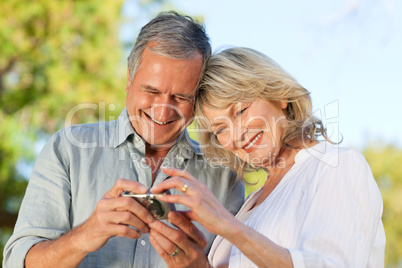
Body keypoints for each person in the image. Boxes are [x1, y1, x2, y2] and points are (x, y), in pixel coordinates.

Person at [3, 12, 244, 268]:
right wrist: (88, 234)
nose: (163, 112)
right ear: (129, 77)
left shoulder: (224, 174)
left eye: (181, 98)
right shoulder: (68, 149)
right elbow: (19, 262)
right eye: (151, 91)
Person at [151, 47, 386, 267]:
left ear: (279, 96)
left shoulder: (336, 166)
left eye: (241, 111)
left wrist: (228, 225)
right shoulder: (252, 203)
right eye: (220, 129)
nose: (236, 135)